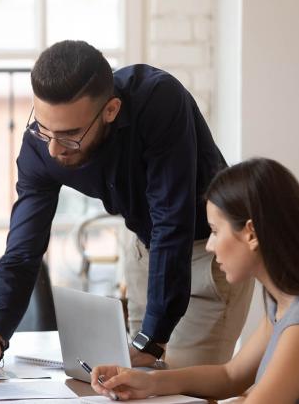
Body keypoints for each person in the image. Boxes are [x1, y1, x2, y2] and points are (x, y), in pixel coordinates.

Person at [0, 40, 253, 376]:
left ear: (111, 110)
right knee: (136, 387)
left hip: (210, 256)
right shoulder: (40, 145)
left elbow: (173, 221)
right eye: (44, 127)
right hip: (146, 250)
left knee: (184, 389)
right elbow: (23, 251)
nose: (54, 149)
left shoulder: (158, 101)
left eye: (70, 135)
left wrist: (151, 340)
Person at [91, 157, 299, 403]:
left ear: (251, 233)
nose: (210, 246)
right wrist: (147, 383)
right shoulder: (280, 302)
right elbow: (230, 376)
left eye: (214, 231)